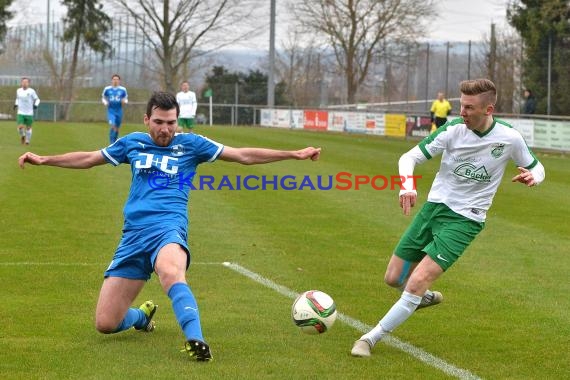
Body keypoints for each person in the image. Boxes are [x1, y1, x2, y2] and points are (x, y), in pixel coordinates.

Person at [19, 91, 321, 362]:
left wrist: (293, 153)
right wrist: (45, 159)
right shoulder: (131, 143)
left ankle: (196, 339)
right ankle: (142, 317)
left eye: (172, 123)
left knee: (170, 270)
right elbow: (88, 158)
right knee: (106, 323)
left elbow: (242, 155)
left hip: (169, 228)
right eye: (160, 122)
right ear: (147, 119)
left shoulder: (191, 144)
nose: (166, 129)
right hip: (133, 236)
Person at [351, 79, 545, 358]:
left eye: (469, 107)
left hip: (466, 220)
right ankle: (423, 299)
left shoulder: (509, 137)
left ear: (488, 108)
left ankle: (369, 339)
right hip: (433, 209)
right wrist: (408, 186)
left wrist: (532, 177)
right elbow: (409, 158)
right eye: (461, 105)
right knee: (394, 278)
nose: (462, 112)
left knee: (416, 281)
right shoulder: (453, 130)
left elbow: (537, 168)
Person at [102, 74, 128, 144]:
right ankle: (111, 143)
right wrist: (105, 102)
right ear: (111, 80)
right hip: (111, 110)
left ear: (119, 81)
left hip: (119, 110)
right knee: (113, 125)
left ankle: (114, 141)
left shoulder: (123, 89)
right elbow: (103, 97)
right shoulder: (107, 89)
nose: (115, 81)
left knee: (117, 128)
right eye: (114, 79)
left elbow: (125, 99)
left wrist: (124, 101)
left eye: (117, 79)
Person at [14, 77, 40, 145]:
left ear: (28, 83)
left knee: (28, 128)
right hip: (20, 112)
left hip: (29, 113)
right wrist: (16, 104)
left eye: (26, 82)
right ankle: (23, 135)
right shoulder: (18, 90)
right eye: (23, 82)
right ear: (21, 83)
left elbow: (37, 99)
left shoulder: (31, 91)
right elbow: (17, 98)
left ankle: (27, 140)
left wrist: (36, 105)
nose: (24, 83)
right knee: (20, 127)